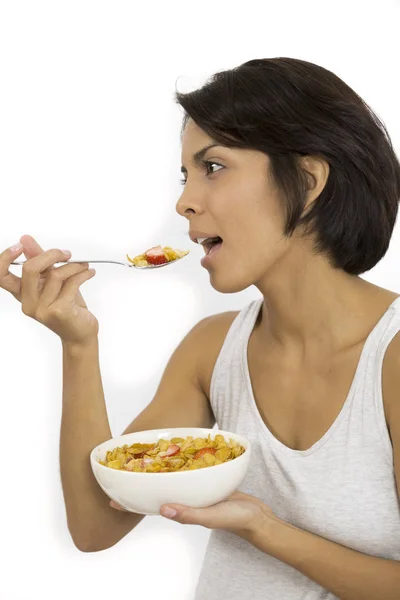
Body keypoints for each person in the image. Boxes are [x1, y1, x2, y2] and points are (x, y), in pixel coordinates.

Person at [1, 57, 400, 599]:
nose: (184, 201)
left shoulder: (392, 356)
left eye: (213, 167)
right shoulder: (212, 351)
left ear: (307, 182)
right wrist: (78, 343)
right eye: (186, 175)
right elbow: (96, 526)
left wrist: (262, 528)